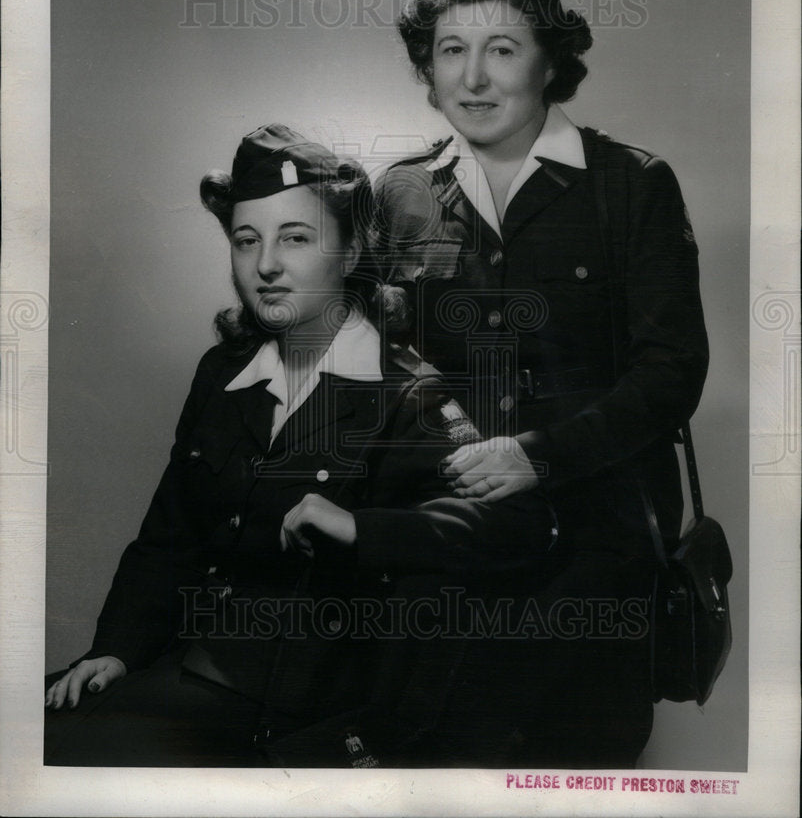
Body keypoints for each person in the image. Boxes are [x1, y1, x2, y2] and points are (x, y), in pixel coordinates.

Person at [44, 122, 557, 767]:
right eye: (245, 241)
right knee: (42, 731)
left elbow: (518, 524)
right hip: (196, 667)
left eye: (296, 238)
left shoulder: (407, 393)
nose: (265, 266)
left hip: (317, 709)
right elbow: (168, 538)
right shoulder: (223, 373)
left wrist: (362, 527)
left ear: (348, 252)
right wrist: (115, 648)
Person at [366, 0, 710, 765]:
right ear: (428, 66)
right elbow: (385, 364)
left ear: (550, 61)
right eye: (451, 49)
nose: (473, 77)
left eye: (502, 48)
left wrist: (538, 458)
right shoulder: (403, 192)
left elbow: (671, 374)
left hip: (596, 560)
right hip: (447, 553)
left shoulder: (632, 186)